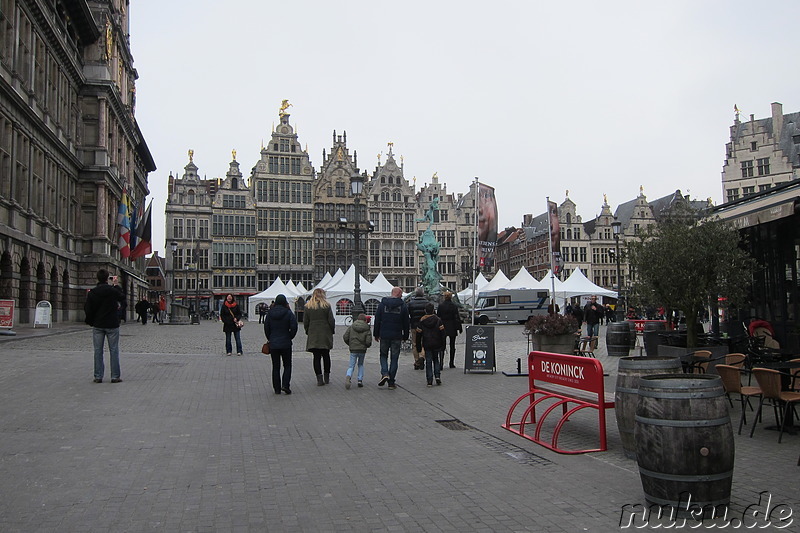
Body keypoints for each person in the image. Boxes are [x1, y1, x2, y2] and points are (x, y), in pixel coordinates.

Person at [84, 269, 125, 383]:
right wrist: (116, 285)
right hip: (112, 324)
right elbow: (122, 297)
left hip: (98, 324)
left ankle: (98, 376)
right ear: (108, 278)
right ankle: (115, 376)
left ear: (97, 278)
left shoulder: (92, 292)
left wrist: (91, 321)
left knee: (98, 351)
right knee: (114, 350)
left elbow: (88, 309)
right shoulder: (112, 291)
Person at [373, 286, 410, 390]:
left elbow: (377, 319)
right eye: (401, 294)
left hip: (384, 334)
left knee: (383, 355)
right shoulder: (402, 306)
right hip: (396, 335)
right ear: (398, 294)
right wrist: (405, 336)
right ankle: (391, 382)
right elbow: (406, 322)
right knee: (394, 358)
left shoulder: (382, 304)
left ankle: (384, 372)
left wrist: (376, 333)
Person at [264, 294, 298, 395]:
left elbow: (266, 328)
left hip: (274, 343)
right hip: (286, 343)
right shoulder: (288, 313)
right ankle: (285, 385)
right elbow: (294, 327)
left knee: (275, 366)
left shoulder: (270, 313)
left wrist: (270, 338)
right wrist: (289, 336)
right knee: (287, 365)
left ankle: (277, 388)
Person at [304, 288, 335, 386]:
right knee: (326, 355)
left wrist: (308, 330)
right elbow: (331, 320)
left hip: (313, 334)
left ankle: (319, 379)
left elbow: (305, 321)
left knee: (316, 357)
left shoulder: (308, 307)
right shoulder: (326, 306)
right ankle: (327, 377)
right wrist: (331, 330)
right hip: (325, 333)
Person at [416, 303, 445, 387]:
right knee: (436, 359)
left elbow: (418, 334)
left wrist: (418, 346)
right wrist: (443, 344)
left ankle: (429, 380)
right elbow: (443, 333)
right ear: (433, 310)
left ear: (425, 310)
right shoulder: (438, 320)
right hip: (437, 342)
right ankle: (437, 376)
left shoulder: (422, 321)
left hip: (427, 343)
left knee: (428, 361)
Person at [343, 313, 372, 389]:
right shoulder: (367, 328)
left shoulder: (352, 326)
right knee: (360, 364)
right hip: (362, 350)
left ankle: (348, 376)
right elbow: (368, 341)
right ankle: (360, 380)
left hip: (353, 349)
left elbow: (345, 337)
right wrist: (366, 345)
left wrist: (350, 344)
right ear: (365, 320)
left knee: (351, 365)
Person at [436, 291, 462, 369]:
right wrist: (459, 327)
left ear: (444, 297)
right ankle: (451, 362)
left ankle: (441, 363)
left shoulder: (441, 306)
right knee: (452, 345)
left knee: (442, 345)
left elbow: (438, 317)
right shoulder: (454, 306)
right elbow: (457, 317)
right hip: (452, 326)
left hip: (443, 326)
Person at [407, 287, 429, 370]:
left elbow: (408, 314)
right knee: (424, 343)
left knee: (415, 343)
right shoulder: (427, 303)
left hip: (414, 326)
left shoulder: (411, 303)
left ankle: (416, 361)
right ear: (423, 293)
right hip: (425, 326)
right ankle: (422, 357)